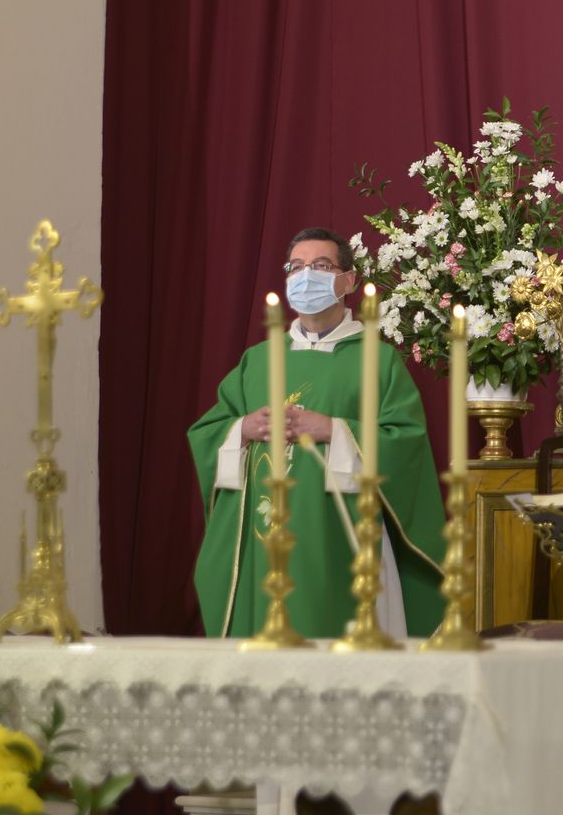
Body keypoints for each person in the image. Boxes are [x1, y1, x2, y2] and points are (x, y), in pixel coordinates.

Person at [189, 227, 446, 641]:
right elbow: (208, 432)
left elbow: (405, 439)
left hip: (338, 536)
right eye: (296, 267)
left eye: (321, 266)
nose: (306, 276)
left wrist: (334, 429)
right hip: (264, 539)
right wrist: (243, 428)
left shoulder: (376, 359)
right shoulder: (257, 360)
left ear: (349, 280)